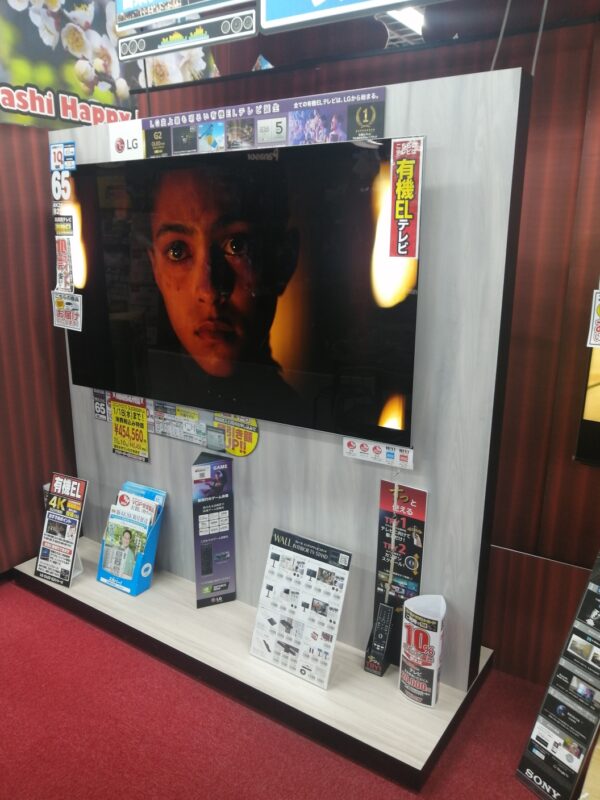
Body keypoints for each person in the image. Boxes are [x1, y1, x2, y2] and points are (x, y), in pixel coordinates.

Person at [147, 157, 304, 420]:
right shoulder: (139, 391)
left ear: (284, 260)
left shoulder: (302, 422)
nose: (208, 291)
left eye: (236, 245)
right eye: (177, 251)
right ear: (156, 271)